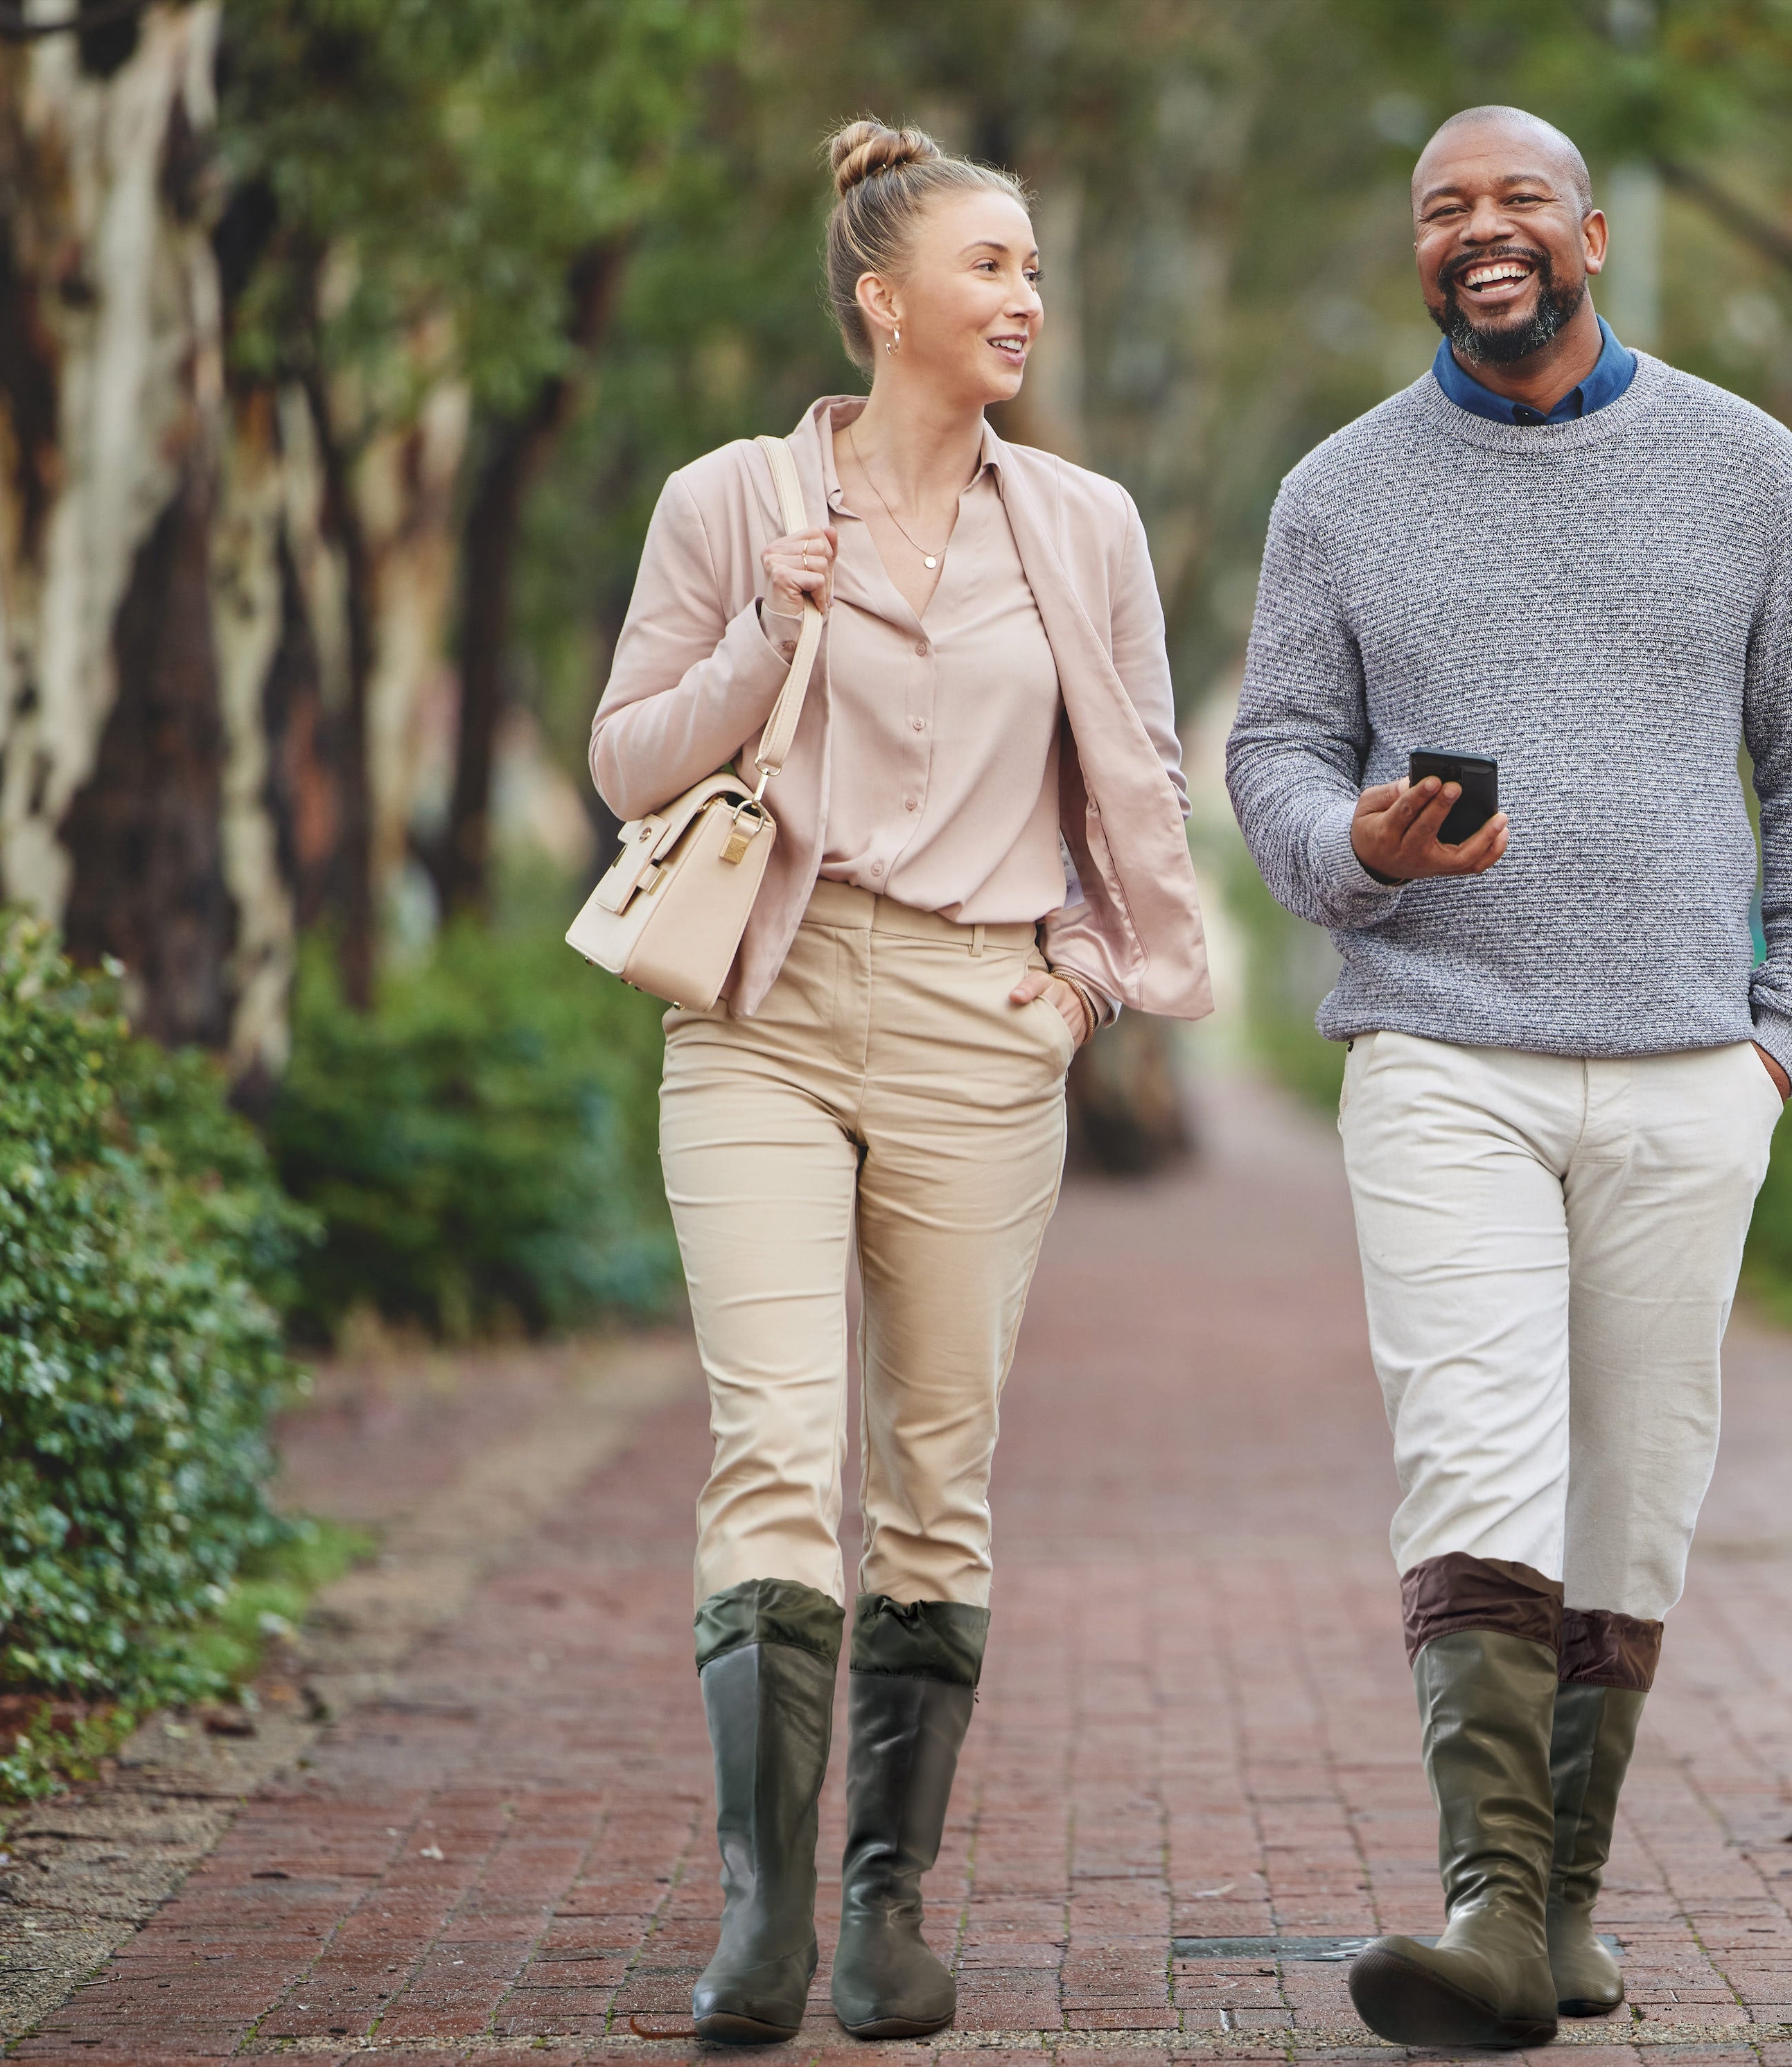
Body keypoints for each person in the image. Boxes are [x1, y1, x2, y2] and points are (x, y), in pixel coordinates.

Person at [1223, 105, 1792, 2049]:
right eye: (1443, 210)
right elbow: (1270, 757)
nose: (1480, 233)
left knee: (1642, 1484)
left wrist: (1787, 1036)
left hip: (1691, 1069)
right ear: (1415, 253)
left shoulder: (1748, 468)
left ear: (1591, 229)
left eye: (1516, 200)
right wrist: (1365, 850)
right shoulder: (1337, 493)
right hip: (1440, 1052)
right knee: (1475, 1444)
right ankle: (1493, 1908)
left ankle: (1567, 1904)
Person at [588, 118, 1211, 2046]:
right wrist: (771, 626)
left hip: (980, 1019)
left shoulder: (1084, 527)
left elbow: (1146, 781)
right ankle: (765, 1916)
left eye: (1032, 269)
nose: (1025, 298)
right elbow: (628, 760)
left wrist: (1085, 984)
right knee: (778, 1449)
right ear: (882, 298)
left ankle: (886, 1907)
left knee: (931, 1488)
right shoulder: (729, 500)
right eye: (991, 267)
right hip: (765, 1003)